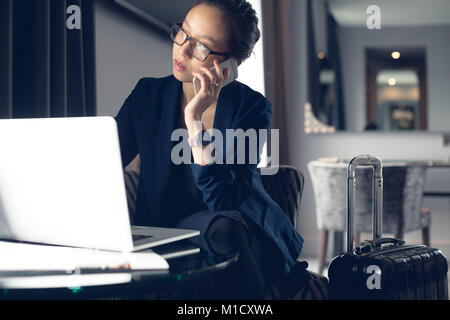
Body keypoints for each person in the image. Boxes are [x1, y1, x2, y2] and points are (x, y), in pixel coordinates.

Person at [115, 0, 304, 299]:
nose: (183, 50)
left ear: (231, 65)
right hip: (166, 229)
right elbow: (106, 162)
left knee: (224, 229)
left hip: (234, 228)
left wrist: (194, 122)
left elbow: (224, 200)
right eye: (183, 33)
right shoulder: (147, 95)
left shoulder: (252, 109)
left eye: (201, 46)